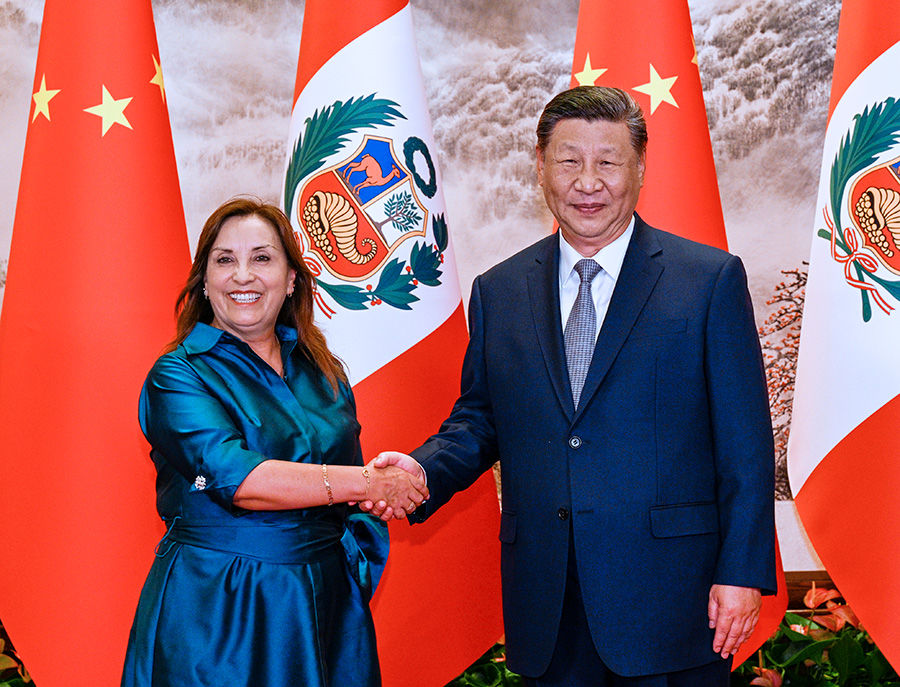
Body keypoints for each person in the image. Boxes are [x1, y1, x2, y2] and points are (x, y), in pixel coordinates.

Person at [366, 87, 776, 686]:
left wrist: (740, 573)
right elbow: (481, 419)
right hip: (548, 603)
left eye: (608, 162)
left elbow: (745, 443)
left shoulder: (707, 280)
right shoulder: (499, 291)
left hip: (674, 602)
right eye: (568, 161)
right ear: (540, 167)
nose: (588, 182)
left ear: (640, 167)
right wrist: (421, 470)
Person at [121, 197, 428, 687]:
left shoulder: (323, 372)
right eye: (225, 260)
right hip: (220, 611)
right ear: (205, 281)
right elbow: (238, 479)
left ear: (290, 280)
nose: (243, 275)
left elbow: (351, 492)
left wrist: (352, 552)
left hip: (328, 611)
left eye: (262, 258)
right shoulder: (177, 375)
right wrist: (371, 482)